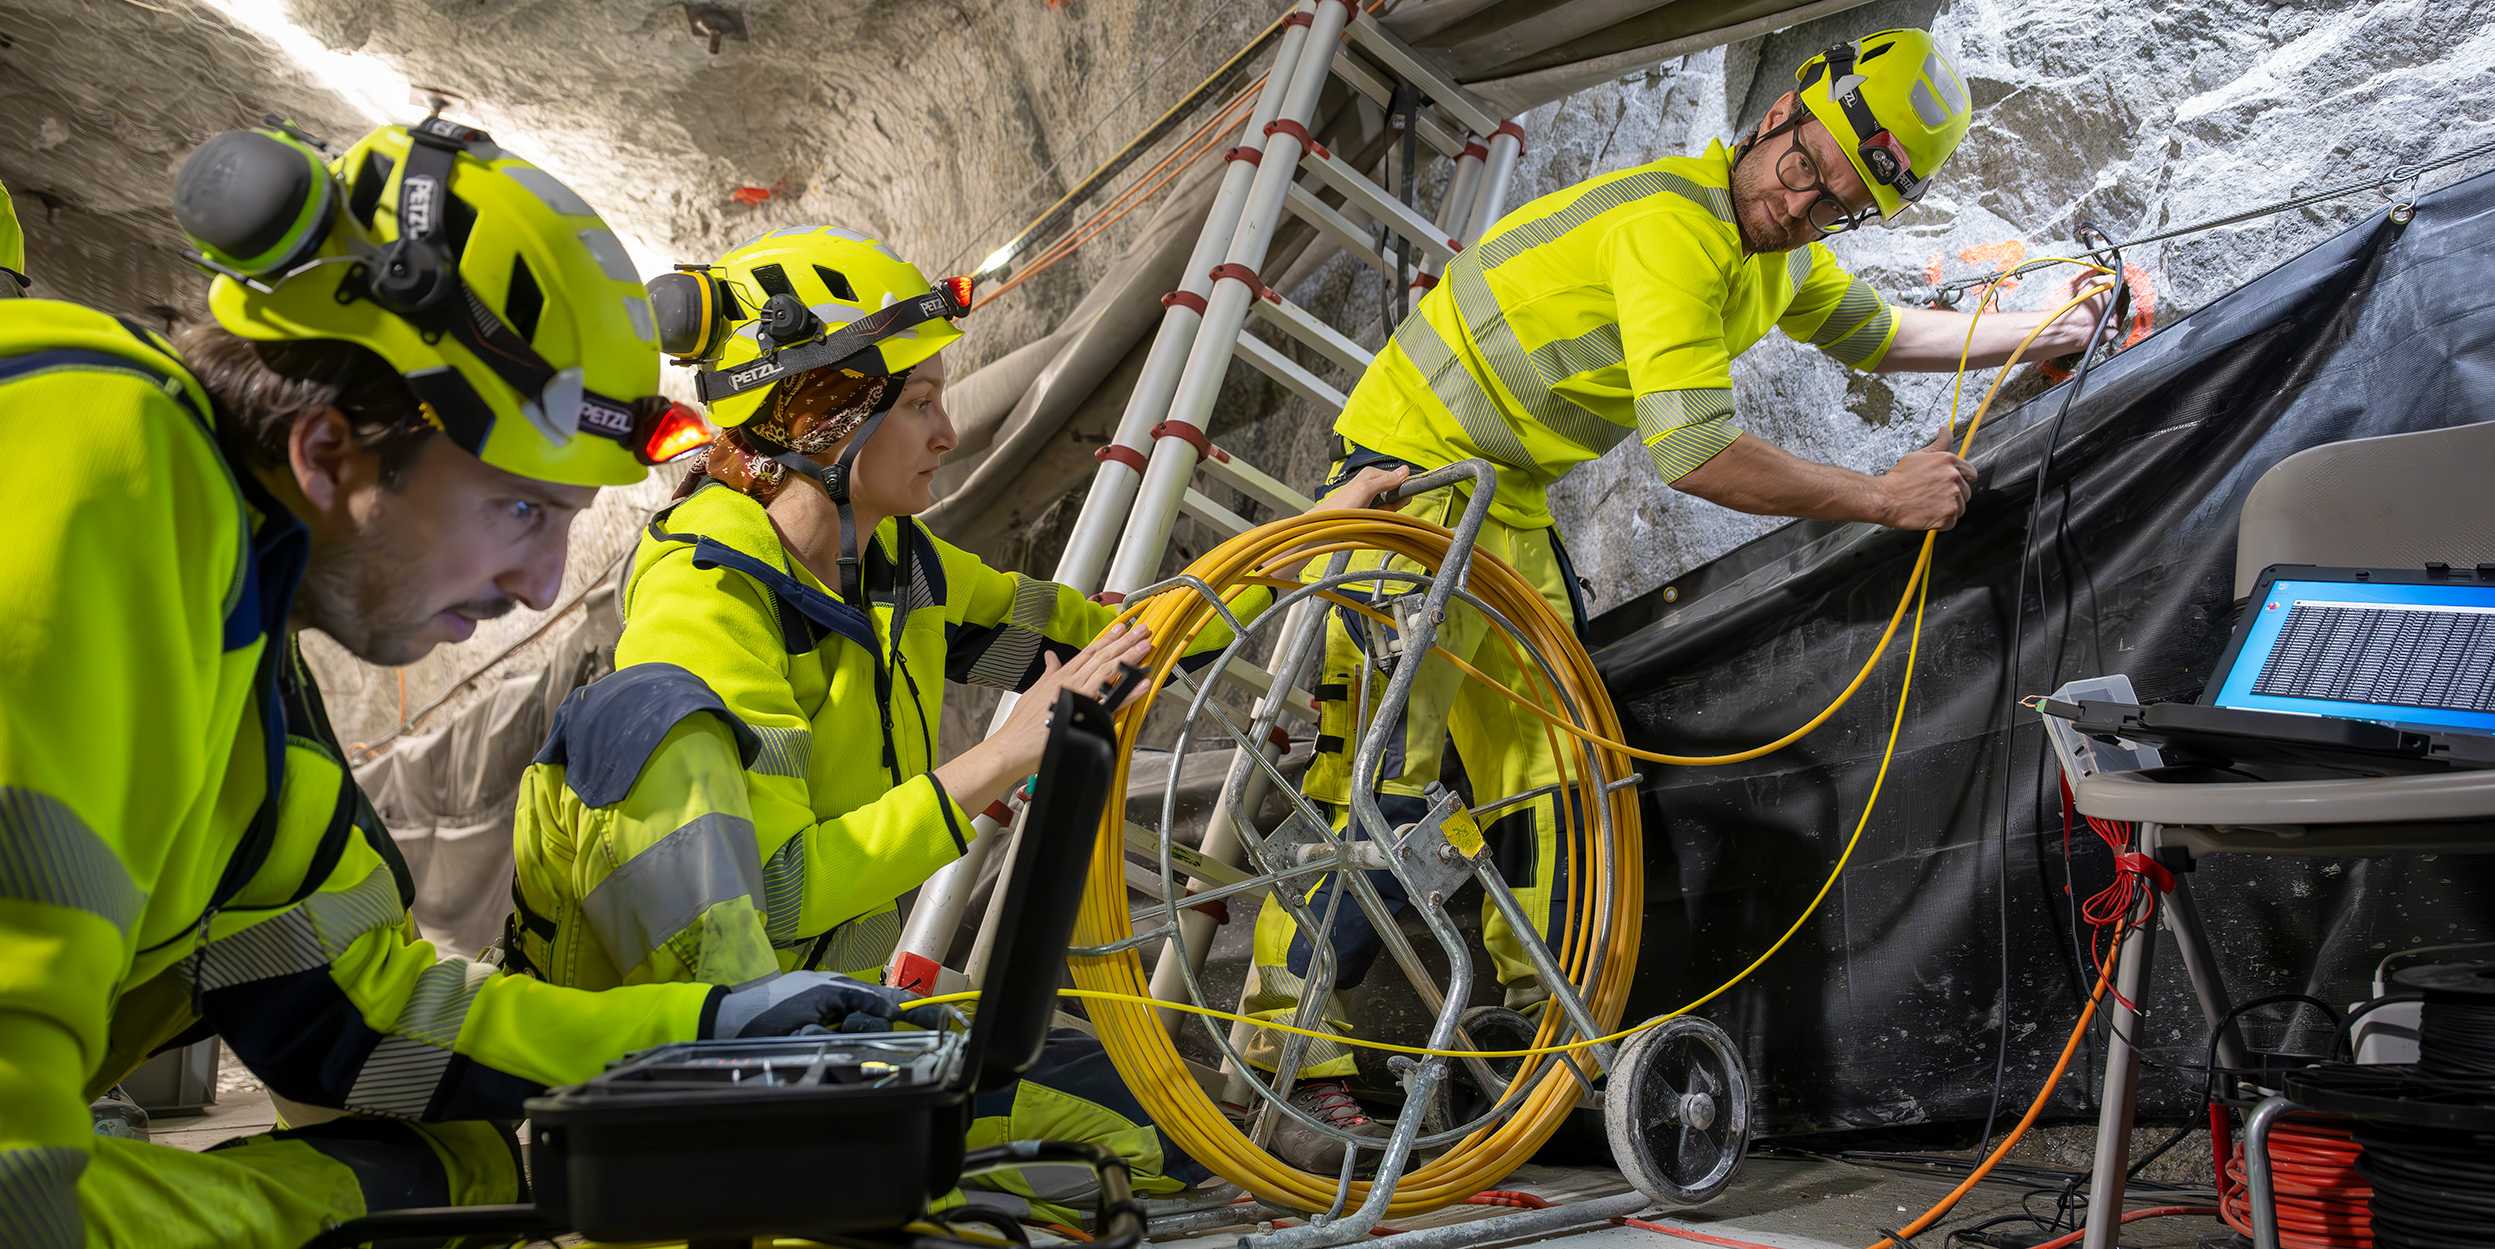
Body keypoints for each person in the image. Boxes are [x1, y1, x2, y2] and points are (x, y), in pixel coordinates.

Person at [0, 120, 934, 1249]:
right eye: (522, 510)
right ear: (328, 447)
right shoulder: (92, 488)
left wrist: (708, 1029)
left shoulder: (242, 663)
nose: (545, 588)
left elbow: (358, 1009)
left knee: (482, 1165)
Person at [1246, 27, 2123, 1171]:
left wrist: (2051, 328)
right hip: (1404, 482)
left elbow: (1882, 331)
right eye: (1803, 169)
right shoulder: (1676, 226)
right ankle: (1280, 1062)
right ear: (1778, 115)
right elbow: (1693, 449)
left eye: (1834, 208)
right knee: (1378, 779)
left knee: (1555, 772)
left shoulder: (1779, 250)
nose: (1798, 206)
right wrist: (1878, 495)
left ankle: (1533, 1035)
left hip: (1492, 493)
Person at [501, 226, 1404, 1219]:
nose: (946, 431)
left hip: (833, 1025)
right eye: (920, 403)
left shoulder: (894, 568)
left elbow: (1105, 640)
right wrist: (1002, 757)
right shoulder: (703, 607)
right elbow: (776, 889)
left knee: (1144, 1102)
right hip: (700, 1066)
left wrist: (1302, 545)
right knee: (1139, 1145)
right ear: (826, 419)